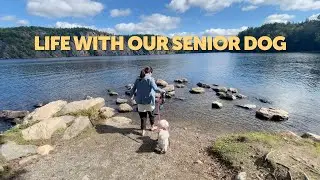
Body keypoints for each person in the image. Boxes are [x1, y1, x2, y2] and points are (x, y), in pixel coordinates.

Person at [130, 66, 165, 136]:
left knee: (143, 117)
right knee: (151, 115)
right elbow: (155, 89)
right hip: (149, 101)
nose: (151, 74)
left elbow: (133, 89)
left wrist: (131, 97)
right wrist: (162, 91)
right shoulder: (150, 79)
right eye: (151, 73)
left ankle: (143, 131)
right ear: (150, 72)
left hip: (140, 101)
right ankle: (152, 127)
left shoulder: (138, 79)